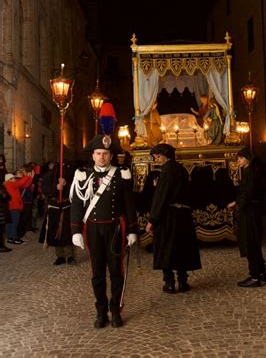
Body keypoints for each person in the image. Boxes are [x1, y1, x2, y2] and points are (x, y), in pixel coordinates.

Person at [70, 134, 138, 329]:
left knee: (116, 271)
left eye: (105, 154)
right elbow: (77, 204)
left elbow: (129, 205)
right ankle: (101, 312)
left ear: (111, 155)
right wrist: (75, 231)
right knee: (97, 272)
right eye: (98, 153)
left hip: (115, 229)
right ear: (92, 156)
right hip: (93, 229)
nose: (102, 157)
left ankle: (115, 310)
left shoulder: (122, 174)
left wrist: (132, 230)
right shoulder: (83, 175)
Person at [145, 143, 201, 293]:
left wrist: (152, 220)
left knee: (166, 248)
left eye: (157, 156)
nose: (156, 160)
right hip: (183, 215)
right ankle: (183, 282)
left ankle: (169, 282)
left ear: (165, 156)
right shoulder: (181, 169)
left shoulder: (167, 171)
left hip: (168, 216)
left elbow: (161, 197)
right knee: (181, 247)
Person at [227, 147, 266, 287]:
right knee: (254, 243)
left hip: (250, 212)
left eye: (240, 158)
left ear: (248, 159)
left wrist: (237, 203)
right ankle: (262, 273)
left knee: (251, 243)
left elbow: (249, 193)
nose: (238, 161)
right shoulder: (249, 172)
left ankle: (255, 276)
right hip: (252, 210)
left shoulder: (250, 173)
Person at [39, 161, 76, 265]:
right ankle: (60, 256)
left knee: (67, 232)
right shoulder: (48, 176)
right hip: (54, 208)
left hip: (66, 207)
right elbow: (45, 190)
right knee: (56, 232)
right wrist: (56, 188)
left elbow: (75, 190)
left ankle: (70, 256)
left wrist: (66, 184)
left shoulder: (70, 176)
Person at [4, 171, 33, 244]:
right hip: (14, 207)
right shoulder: (10, 184)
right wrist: (27, 176)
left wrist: (30, 178)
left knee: (10, 223)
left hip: (11, 207)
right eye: (14, 178)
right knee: (14, 223)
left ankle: (10, 238)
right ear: (10, 179)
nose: (15, 179)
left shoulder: (10, 185)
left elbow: (25, 185)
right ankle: (14, 238)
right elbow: (20, 183)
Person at [0, 182, 12, 252]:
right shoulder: (1, 187)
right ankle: (1, 246)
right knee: (1, 230)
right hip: (1, 210)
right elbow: (6, 197)